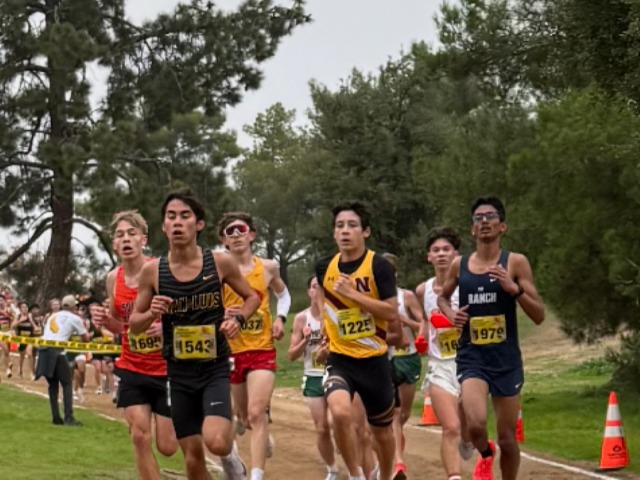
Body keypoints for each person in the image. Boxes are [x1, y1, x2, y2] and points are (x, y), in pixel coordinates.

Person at [130, 190, 261, 480]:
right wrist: (151, 313)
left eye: (185, 216)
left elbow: (252, 298)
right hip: (178, 374)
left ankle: (229, 451)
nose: (177, 222)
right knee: (192, 460)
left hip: (213, 368)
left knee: (217, 442)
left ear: (198, 224)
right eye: (171, 217)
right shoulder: (153, 272)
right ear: (164, 226)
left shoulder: (220, 263)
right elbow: (135, 324)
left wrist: (238, 319)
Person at [438, 196, 545, 480]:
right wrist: (451, 314)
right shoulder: (459, 265)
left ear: (502, 226)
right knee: (475, 426)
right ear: (472, 229)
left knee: (508, 439)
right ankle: (486, 452)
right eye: (478, 218)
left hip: (506, 359)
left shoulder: (516, 263)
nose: (484, 221)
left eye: (491, 216)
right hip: (472, 356)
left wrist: (514, 289)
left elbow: (539, 314)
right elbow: (442, 298)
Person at [92, 210, 179, 480]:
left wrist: (166, 328)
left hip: (167, 368)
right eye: (120, 235)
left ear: (144, 239)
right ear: (114, 244)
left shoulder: (161, 271)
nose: (126, 239)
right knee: (139, 436)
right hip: (132, 367)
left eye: (132, 233)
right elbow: (121, 327)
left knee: (167, 446)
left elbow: (186, 314)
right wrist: (105, 321)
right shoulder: (112, 279)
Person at [315, 201, 399, 480]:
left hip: (375, 361)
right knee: (339, 413)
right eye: (340, 226)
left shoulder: (379, 266)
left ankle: (384, 476)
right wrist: (325, 326)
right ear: (333, 232)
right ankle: (355, 475)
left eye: (352, 225)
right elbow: (323, 297)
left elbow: (391, 312)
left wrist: (353, 295)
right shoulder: (324, 266)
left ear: (365, 232)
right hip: (340, 359)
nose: (345, 231)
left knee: (382, 433)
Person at [218, 211, 290, 480]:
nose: (236, 235)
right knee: (245, 416)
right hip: (232, 350)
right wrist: (221, 314)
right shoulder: (218, 270)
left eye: (241, 230)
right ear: (224, 240)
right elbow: (208, 306)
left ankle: (256, 476)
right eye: (230, 232)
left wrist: (281, 318)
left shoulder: (268, 267)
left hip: (261, 348)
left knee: (257, 412)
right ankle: (257, 432)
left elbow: (283, 295)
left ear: (252, 235)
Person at [416, 227, 471, 480]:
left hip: (469, 363)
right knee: (450, 427)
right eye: (435, 250)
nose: (441, 254)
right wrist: (422, 336)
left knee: (470, 427)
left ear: (456, 254)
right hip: (440, 365)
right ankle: (454, 476)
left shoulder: (468, 285)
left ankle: (469, 439)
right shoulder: (423, 290)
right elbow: (425, 318)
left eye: (446, 249)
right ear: (429, 256)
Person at [288, 275, 338, 480]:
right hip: (313, 376)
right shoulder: (302, 318)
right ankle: (332, 469)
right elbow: (291, 355)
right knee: (321, 428)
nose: (317, 291)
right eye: (314, 286)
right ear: (309, 291)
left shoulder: (335, 315)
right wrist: (306, 340)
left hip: (336, 372)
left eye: (321, 287)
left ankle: (346, 445)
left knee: (336, 421)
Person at [381, 253, 425, 480]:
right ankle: (396, 462)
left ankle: (394, 446)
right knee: (393, 415)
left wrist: (403, 320)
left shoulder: (406, 296)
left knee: (403, 413)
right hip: (385, 359)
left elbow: (422, 324)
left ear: (395, 274)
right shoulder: (372, 298)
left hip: (408, 358)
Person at [35, 294, 89, 426]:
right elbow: (85, 338)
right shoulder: (75, 318)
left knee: (53, 384)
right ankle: (68, 417)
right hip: (57, 351)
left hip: (44, 350)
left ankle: (56, 417)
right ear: (73, 306)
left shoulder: (53, 316)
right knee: (67, 383)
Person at [12, 301, 38, 379]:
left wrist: (31, 320)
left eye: (26, 307)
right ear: (20, 309)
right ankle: (20, 371)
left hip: (30, 339)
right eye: (23, 307)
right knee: (22, 356)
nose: (24, 308)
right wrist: (20, 320)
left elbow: (36, 328)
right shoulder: (18, 316)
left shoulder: (31, 316)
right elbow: (12, 326)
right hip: (21, 339)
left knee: (29, 354)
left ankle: (32, 373)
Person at [0, 293, 15, 379]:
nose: (0, 301)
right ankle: (9, 363)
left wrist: (12, 329)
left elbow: (14, 318)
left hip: (8, 332)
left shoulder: (9, 309)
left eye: (2, 300)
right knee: (5, 350)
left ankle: (7, 369)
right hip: (0, 333)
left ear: (4, 301)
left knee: (6, 352)